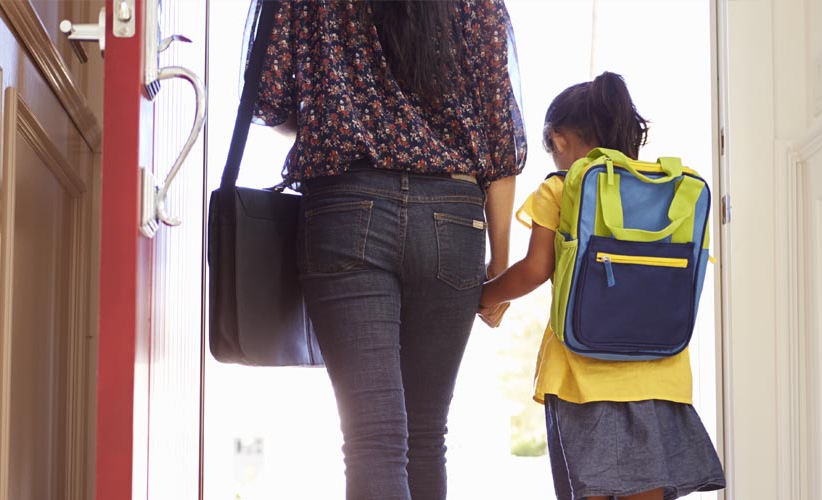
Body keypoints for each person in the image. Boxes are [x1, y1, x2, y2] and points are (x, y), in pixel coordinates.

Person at [249, 2, 526, 499]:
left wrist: (345, 122)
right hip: (453, 215)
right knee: (424, 438)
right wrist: (499, 268)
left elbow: (268, 98)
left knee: (371, 440)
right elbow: (498, 138)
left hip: (346, 205)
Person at [478, 72, 726, 500]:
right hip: (660, 374)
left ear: (557, 140)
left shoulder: (561, 187)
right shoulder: (671, 188)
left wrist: (482, 298)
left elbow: (536, 268)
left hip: (581, 377)